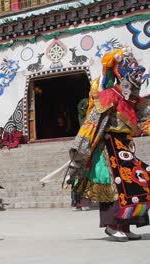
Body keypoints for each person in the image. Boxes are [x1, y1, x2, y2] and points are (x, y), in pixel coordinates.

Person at [56, 47, 150, 241]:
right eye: (129, 67)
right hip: (108, 149)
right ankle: (112, 226)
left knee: (135, 184)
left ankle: (125, 226)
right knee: (113, 187)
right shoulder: (108, 96)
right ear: (119, 71)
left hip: (125, 149)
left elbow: (143, 119)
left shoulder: (130, 100)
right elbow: (91, 124)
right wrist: (81, 151)